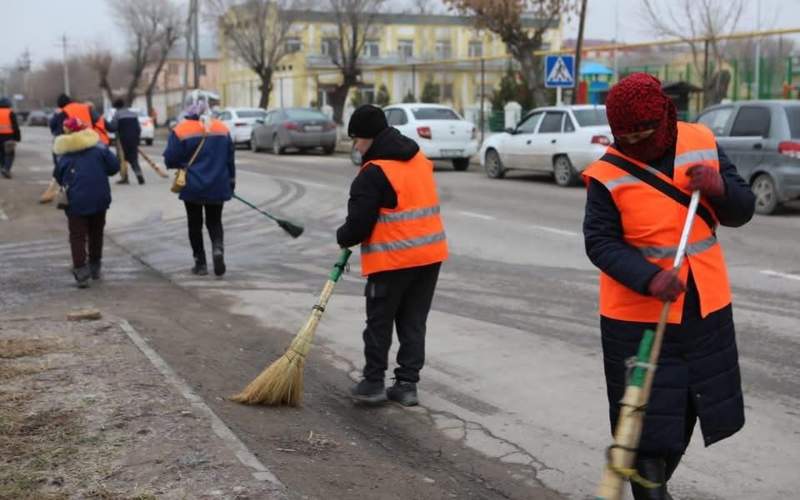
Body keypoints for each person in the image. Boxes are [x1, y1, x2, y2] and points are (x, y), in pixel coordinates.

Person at [581, 73, 755, 500]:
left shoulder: (701, 141)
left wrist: (717, 186)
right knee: (645, 425)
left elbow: (742, 209)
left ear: (665, 118)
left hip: (704, 310)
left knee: (688, 412)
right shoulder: (607, 173)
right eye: (626, 136)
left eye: (644, 133)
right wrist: (649, 277)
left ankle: (656, 483)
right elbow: (599, 241)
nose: (636, 143)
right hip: (637, 320)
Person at [337, 104, 448, 407]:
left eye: (357, 139)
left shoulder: (374, 172)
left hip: (393, 260)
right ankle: (406, 385)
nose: (356, 145)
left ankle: (373, 382)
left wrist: (342, 237)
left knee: (380, 321)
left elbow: (359, 225)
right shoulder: (419, 159)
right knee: (413, 322)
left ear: (369, 137)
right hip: (429, 256)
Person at [163, 101, 235, 277]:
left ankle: (200, 264)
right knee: (215, 221)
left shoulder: (181, 130)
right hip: (218, 184)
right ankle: (218, 248)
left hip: (192, 186)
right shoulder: (222, 128)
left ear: (188, 113)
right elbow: (229, 159)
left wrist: (182, 164)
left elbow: (170, 159)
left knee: (194, 224)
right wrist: (231, 181)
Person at [53, 118, 120, 288]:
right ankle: (95, 266)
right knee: (96, 232)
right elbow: (114, 167)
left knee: (77, 235)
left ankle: (81, 272)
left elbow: (58, 176)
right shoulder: (99, 148)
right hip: (100, 197)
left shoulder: (64, 154)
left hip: (75, 201)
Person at [107, 98, 144, 185]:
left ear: (116, 107)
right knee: (134, 159)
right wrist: (137, 138)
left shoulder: (117, 115)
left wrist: (105, 124)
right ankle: (139, 175)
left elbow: (113, 127)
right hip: (134, 139)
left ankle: (124, 178)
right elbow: (138, 128)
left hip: (122, 140)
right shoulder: (133, 114)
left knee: (122, 159)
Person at [0, 97, 21, 179]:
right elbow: (15, 126)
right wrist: (18, 137)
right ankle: (6, 168)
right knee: (9, 154)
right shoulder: (10, 113)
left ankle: (3, 167)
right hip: (9, 137)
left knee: (1, 154)